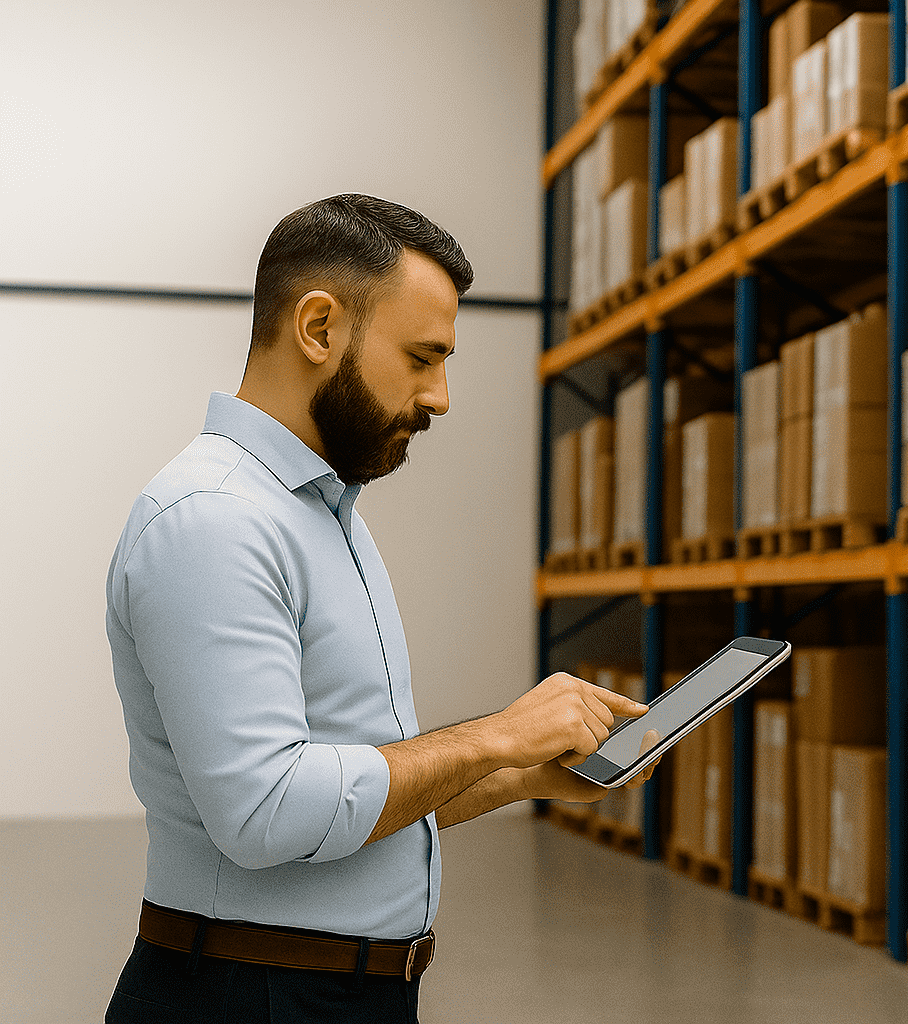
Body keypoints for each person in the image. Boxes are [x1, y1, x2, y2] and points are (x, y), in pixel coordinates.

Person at [104, 194, 654, 1023]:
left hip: (331, 992)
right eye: (423, 357)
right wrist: (493, 733)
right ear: (319, 327)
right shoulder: (212, 520)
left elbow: (354, 787)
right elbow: (267, 810)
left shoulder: (322, 514)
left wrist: (510, 775)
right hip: (248, 995)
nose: (440, 397)